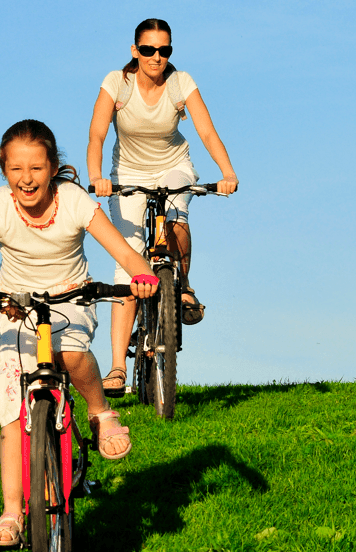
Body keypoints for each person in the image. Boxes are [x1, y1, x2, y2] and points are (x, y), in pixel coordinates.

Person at [0, 119, 158, 548]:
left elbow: (125, 252)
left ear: (53, 167)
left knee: (72, 354)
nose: (27, 179)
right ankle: (10, 514)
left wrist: (142, 275)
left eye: (37, 168)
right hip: (16, 307)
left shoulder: (73, 200)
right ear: (4, 170)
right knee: (11, 412)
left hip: (71, 298)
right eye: (16, 169)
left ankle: (100, 413)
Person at [87, 18, 239, 398]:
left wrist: (227, 171)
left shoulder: (180, 82)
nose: (157, 57)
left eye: (165, 50)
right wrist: (96, 176)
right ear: (135, 51)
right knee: (127, 265)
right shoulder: (117, 83)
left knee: (176, 218)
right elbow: (98, 133)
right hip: (127, 174)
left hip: (173, 166)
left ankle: (181, 284)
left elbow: (205, 130)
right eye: (150, 50)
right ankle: (118, 367)